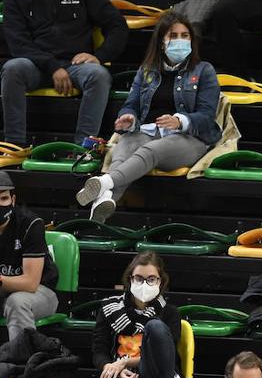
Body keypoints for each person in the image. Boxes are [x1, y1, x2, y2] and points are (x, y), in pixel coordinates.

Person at [74, 11, 222, 223]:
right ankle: (103, 200)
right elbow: (131, 105)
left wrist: (180, 121)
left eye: (185, 36)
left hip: (190, 139)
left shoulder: (204, 70)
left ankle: (105, 182)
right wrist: (128, 118)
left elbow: (207, 116)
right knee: (125, 145)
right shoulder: (147, 71)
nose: (180, 40)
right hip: (149, 132)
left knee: (150, 149)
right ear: (161, 41)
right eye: (173, 36)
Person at [1, 0, 127, 146]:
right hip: (35, 65)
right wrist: (52, 66)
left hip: (75, 65)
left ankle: (84, 147)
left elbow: (117, 24)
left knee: (99, 75)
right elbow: (18, 45)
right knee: (13, 68)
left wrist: (100, 55)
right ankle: (14, 146)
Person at [0, 171, 59, 340]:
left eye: (3, 199)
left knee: (17, 302)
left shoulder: (30, 224)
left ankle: (21, 363)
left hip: (40, 292)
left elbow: (30, 283)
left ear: (13, 200)